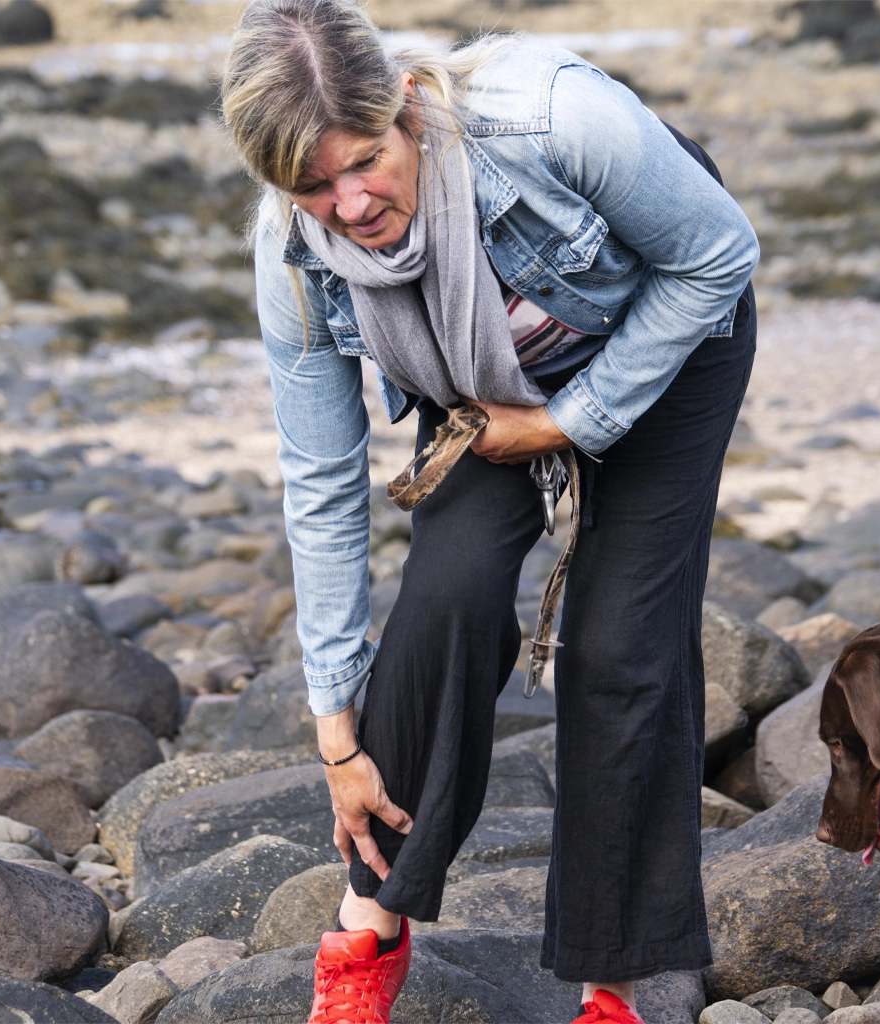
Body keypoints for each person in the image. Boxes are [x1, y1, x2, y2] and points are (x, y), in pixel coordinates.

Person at [223, 1, 759, 1020]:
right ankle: (369, 929)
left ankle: (613, 988)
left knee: (617, 646)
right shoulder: (291, 254)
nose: (350, 204)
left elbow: (718, 255)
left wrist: (566, 423)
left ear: (405, 106)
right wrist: (336, 737)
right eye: (313, 186)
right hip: (476, 368)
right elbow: (322, 481)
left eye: (366, 162)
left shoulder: (551, 116)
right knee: (446, 594)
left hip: (666, 324)